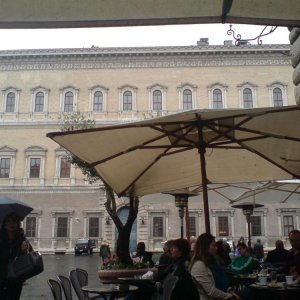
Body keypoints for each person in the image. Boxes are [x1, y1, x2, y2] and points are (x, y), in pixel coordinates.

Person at [189, 233, 240, 300]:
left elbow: (220, 280)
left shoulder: (211, 262)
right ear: (206, 247)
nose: (216, 248)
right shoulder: (199, 265)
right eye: (214, 245)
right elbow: (210, 291)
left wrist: (229, 290)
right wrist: (229, 296)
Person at [0, 213, 32, 300]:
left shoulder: (23, 239)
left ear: (18, 223)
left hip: (16, 278)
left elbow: (30, 258)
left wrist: (25, 251)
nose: (11, 223)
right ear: (4, 224)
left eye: (14, 221)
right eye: (8, 221)